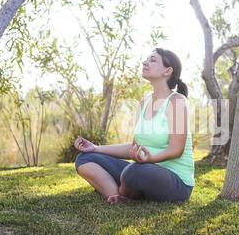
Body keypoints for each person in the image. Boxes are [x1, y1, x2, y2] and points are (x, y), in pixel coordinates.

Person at [74, 48, 195, 205]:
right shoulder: (144, 102)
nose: (145, 62)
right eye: (146, 59)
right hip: (143, 170)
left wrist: (150, 159)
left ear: (168, 71)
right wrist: (96, 148)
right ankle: (117, 196)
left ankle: (124, 190)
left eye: (152, 60)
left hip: (176, 181)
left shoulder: (176, 101)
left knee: (134, 172)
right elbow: (133, 147)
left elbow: (176, 150)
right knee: (85, 158)